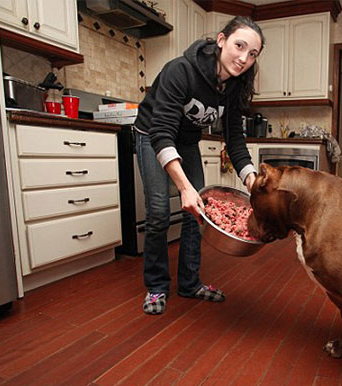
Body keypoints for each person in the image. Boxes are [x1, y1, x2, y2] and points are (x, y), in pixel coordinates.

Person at [134, 16, 265, 314]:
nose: (244, 58)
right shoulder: (181, 71)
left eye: (253, 53)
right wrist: (183, 187)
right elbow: (162, 131)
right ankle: (156, 287)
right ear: (221, 40)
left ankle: (190, 283)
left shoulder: (234, 86)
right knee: (157, 213)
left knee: (199, 211)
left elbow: (235, 141)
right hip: (152, 135)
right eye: (239, 46)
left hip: (186, 141)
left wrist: (253, 184)